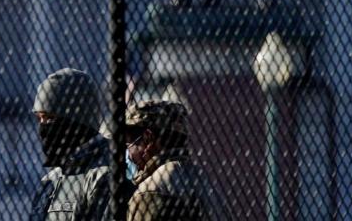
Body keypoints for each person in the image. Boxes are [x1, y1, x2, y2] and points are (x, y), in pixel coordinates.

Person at [29, 68, 114, 220]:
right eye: (40, 119)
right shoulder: (51, 180)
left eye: (49, 118)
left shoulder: (104, 176)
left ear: (76, 120)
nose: (43, 128)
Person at [124, 100, 223, 220]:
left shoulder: (150, 190)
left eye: (128, 144)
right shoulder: (205, 182)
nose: (128, 153)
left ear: (147, 138)